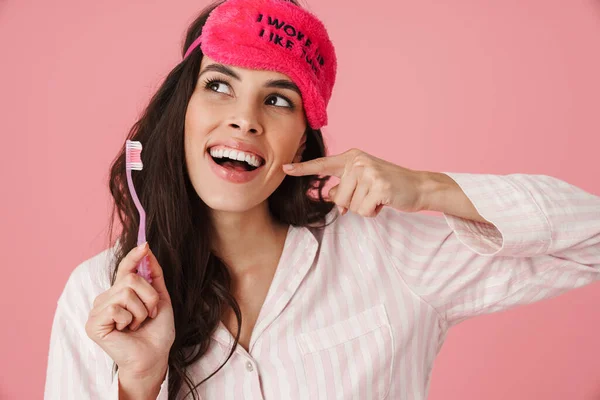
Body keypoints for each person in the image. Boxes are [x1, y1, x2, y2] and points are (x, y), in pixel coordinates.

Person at [44, 0, 600, 399]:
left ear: (304, 139)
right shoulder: (101, 298)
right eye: (219, 85)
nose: (245, 117)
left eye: (279, 99)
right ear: (181, 109)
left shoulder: (389, 253)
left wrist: (428, 187)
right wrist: (139, 385)